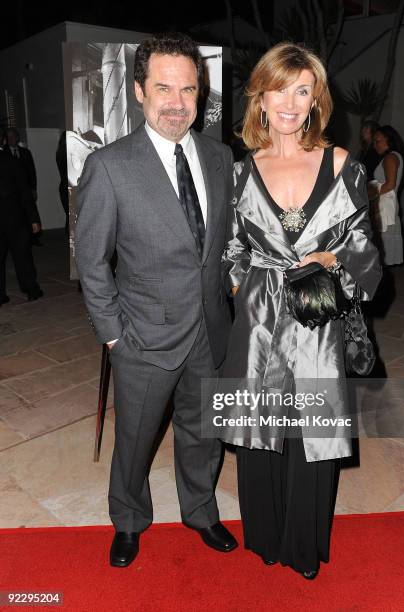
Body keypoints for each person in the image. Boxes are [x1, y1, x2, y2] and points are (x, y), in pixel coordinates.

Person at [75, 32, 237, 568]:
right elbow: (91, 260)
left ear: (201, 94)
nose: (177, 102)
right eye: (164, 87)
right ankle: (128, 518)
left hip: (210, 328)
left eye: (188, 89)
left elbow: (223, 241)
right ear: (140, 91)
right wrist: (113, 332)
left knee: (203, 431)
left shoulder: (218, 156)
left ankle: (200, 510)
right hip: (142, 335)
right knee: (136, 440)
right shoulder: (111, 166)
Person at [220, 42, 381, 579]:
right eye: (278, 90)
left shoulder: (341, 165)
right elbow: (232, 253)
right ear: (259, 99)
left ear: (316, 101)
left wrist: (332, 257)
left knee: (311, 433)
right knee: (261, 433)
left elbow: (366, 251)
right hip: (260, 325)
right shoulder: (241, 173)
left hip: (320, 323)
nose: (290, 103)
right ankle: (264, 538)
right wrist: (251, 295)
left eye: (302, 91)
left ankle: (303, 546)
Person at [0, 147, 43, 304]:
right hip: (15, 217)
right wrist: (33, 218)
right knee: (22, 256)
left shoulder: (11, 160)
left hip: (12, 217)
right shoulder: (12, 161)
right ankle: (31, 290)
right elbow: (24, 191)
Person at [370, 125, 404, 265]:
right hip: (387, 204)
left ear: (388, 140)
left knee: (382, 245)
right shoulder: (392, 157)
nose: (375, 145)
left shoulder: (390, 157)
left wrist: (369, 194)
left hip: (385, 205)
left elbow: (390, 184)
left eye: (378, 141)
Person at [2, 127, 43, 246]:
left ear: (17, 137)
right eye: (8, 137)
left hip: (26, 190)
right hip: (11, 194)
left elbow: (31, 172)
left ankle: (33, 238)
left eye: (13, 136)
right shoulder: (4, 154)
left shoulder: (26, 152)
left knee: (29, 213)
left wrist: (33, 188)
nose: (11, 139)